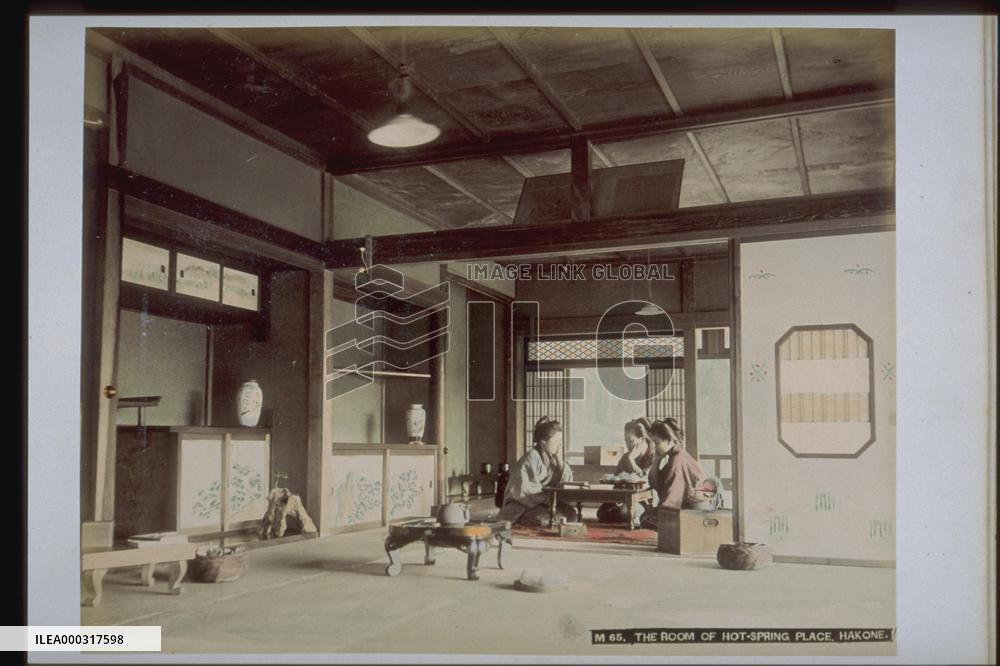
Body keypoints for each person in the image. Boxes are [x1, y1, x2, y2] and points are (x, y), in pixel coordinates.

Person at [495, 416, 579, 527]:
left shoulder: (553, 457)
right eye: (555, 441)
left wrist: (560, 461)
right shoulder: (531, 458)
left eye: (560, 442)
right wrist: (549, 500)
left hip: (544, 502)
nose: (559, 445)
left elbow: (567, 481)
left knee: (571, 514)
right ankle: (520, 521)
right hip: (524, 504)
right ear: (543, 442)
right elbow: (524, 489)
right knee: (549, 519)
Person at [640, 417, 710, 530]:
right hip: (689, 505)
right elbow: (655, 484)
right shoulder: (676, 455)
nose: (654, 448)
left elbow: (672, 496)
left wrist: (660, 513)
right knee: (647, 516)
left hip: (695, 509)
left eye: (657, 443)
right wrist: (656, 461)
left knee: (646, 518)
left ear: (669, 440)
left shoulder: (677, 460)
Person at [596, 417, 656, 525]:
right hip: (624, 499)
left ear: (642, 439)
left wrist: (631, 461)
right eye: (626, 441)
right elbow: (617, 478)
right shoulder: (625, 457)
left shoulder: (653, 456)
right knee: (601, 512)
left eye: (631, 441)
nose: (628, 445)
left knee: (622, 512)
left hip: (644, 500)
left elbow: (645, 480)